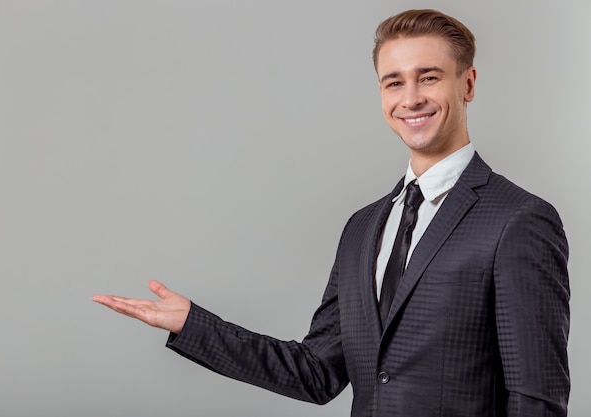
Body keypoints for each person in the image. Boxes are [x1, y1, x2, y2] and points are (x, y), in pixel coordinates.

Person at [93, 9, 570, 416]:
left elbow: (537, 399)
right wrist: (192, 323)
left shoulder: (519, 219)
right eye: (393, 82)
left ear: (467, 83)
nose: (411, 98)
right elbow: (317, 372)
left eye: (429, 77)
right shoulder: (363, 228)